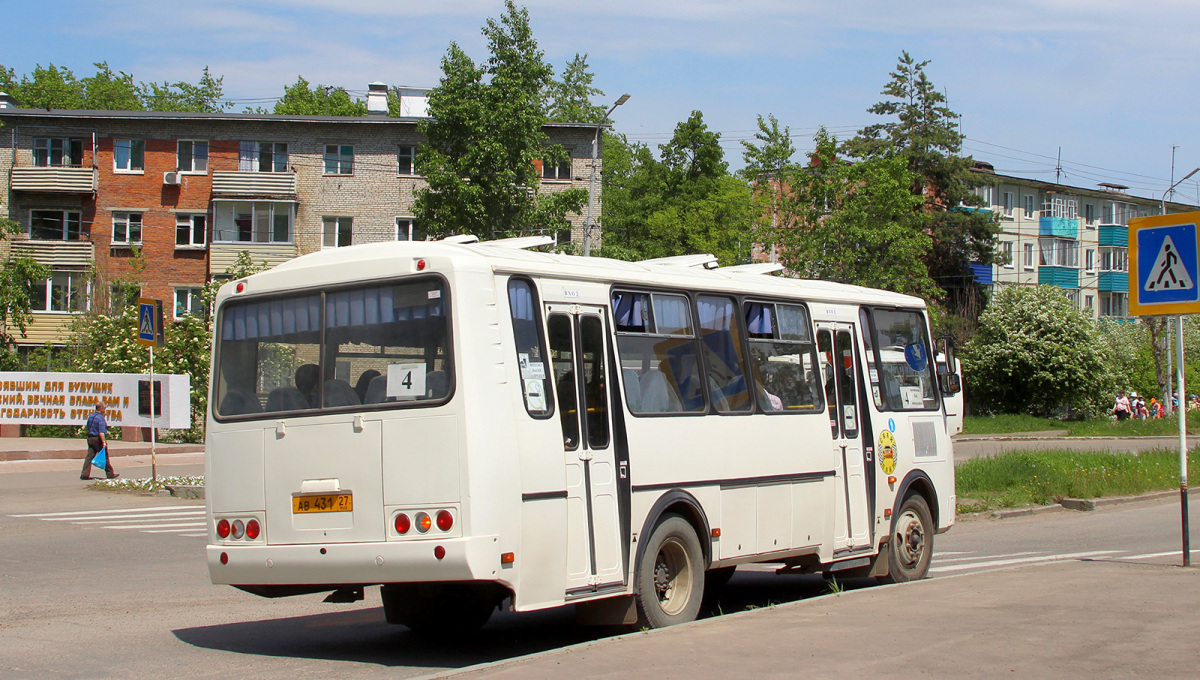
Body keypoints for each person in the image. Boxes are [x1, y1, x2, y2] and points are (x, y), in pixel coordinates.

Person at [80, 401, 118, 480]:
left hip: (90, 438)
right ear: (101, 408)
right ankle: (110, 474)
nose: (105, 410)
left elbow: (88, 427)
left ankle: (84, 474)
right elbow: (101, 432)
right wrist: (104, 442)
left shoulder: (91, 416)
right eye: (104, 408)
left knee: (89, 457)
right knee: (104, 456)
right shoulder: (100, 419)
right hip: (98, 439)